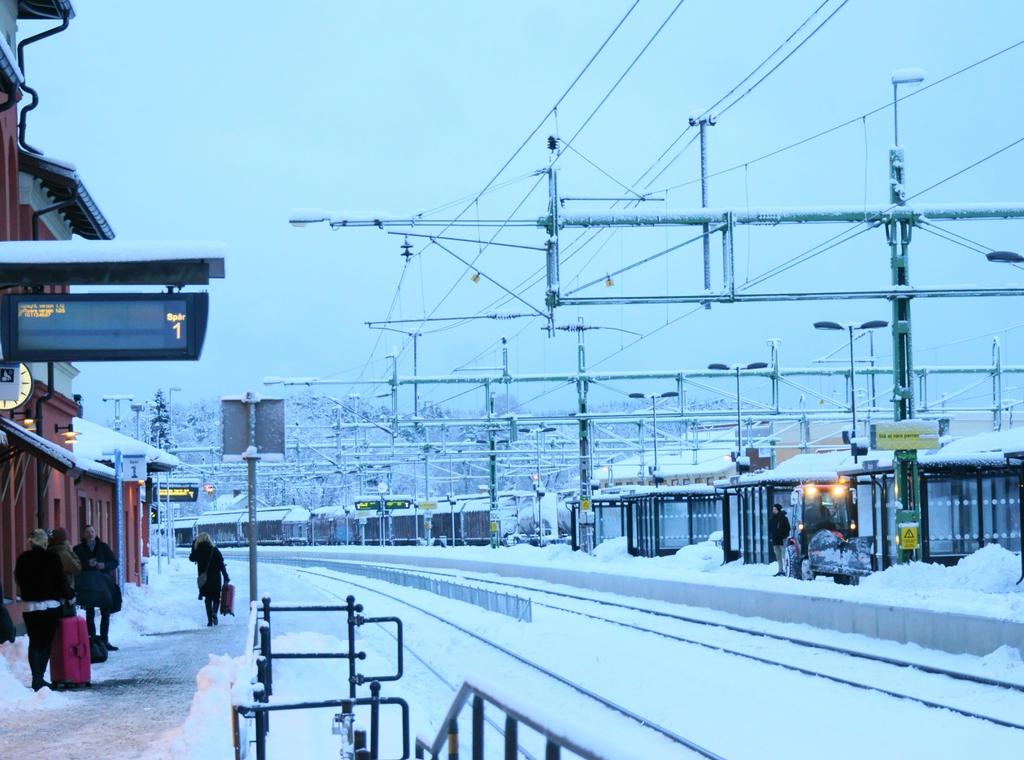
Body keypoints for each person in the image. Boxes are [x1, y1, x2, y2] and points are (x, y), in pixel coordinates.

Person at [15, 529, 73, 690]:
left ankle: (36, 678)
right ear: (44, 542)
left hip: (30, 606)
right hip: (50, 605)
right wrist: (69, 594)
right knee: (46, 643)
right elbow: (61, 580)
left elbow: (18, 578)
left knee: (34, 642)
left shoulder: (23, 558)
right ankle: (40, 677)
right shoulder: (52, 558)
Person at [73, 525, 119, 651]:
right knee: (90, 612)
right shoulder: (78, 549)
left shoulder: (103, 547)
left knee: (105, 612)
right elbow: (74, 565)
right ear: (83, 535)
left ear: (96, 533)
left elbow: (114, 562)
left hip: (103, 584)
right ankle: (91, 640)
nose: (90, 534)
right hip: (88, 585)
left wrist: (103, 565)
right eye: (87, 531)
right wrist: (86, 564)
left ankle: (105, 640)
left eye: (92, 531)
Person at [189, 532, 229, 626]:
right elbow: (221, 564)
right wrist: (226, 576)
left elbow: (191, 558)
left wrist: (193, 545)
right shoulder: (214, 550)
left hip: (204, 579)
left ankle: (209, 621)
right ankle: (214, 613)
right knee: (216, 597)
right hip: (215, 578)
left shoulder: (198, 551)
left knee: (207, 599)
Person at [48, 527, 81, 596]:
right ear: (64, 540)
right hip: (64, 590)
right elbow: (77, 568)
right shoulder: (63, 553)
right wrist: (71, 552)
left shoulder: (49, 550)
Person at [769, 504, 791, 577]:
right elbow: (770, 529)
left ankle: (785, 570)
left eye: (775, 509)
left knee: (784, 555)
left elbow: (788, 528)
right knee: (778, 556)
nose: (773, 511)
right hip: (775, 540)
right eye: (773, 509)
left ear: (778, 510)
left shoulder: (783, 518)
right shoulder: (772, 518)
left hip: (782, 540)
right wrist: (771, 536)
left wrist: (784, 536)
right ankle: (780, 570)